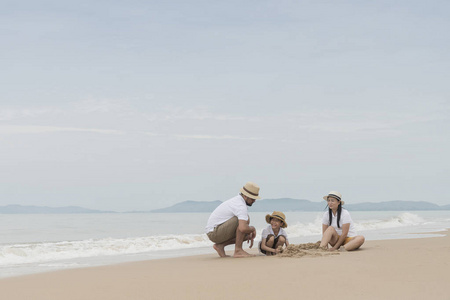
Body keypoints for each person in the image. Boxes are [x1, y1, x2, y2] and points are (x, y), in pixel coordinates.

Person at [205, 182, 260, 258]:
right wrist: (252, 229)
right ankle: (238, 251)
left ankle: (220, 246)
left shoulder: (238, 201)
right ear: (245, 196)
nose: (254, 201)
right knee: (244, 222)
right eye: (252, 198)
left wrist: (249, 231)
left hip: (215, 232)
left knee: (247, 234)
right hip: (214, 233)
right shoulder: (240, 205)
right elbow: (242, 228)